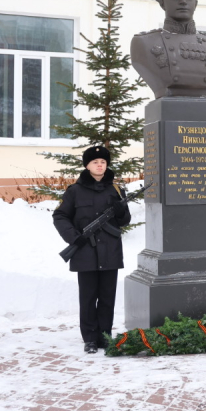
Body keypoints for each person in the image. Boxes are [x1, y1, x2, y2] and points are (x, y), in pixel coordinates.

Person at [53, 145, 132, 354]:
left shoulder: (115, 190)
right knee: (88, 298)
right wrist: (74, 238)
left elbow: (125, 220)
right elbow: (60, 216)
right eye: (95, 162)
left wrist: (120, 209)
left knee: (107, 297)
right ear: (87, 165)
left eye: (103, 162)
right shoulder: (74, 191)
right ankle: (89, 338)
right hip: (85, 251)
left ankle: (104, 336)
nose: (100, 165)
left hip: (110, 252)